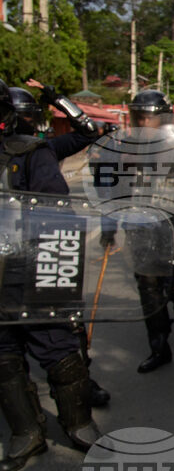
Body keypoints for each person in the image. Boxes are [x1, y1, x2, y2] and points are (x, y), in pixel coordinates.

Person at [0, 79, 102, 471]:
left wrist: (57, 276)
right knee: (5, 358)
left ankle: (79, 424)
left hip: (32, 269)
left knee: (58, 349)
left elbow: (57, 215)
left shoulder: (32, 152)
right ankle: (26, 433)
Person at [10, 84, 112, 407]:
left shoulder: (41, 150)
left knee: (66, 324)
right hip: (8, 254)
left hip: (49, 249)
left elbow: (88, 131)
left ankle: (82, 382)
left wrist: (57, 98)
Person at [99, 91, 174, 373]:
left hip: (173, 224)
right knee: (148, 288)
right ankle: (159, 346)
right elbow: (113, 190)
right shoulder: (123, 148)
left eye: (150, 116)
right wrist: (109, 228)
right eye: (139, 116)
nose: (144, 121)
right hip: (138, 224)